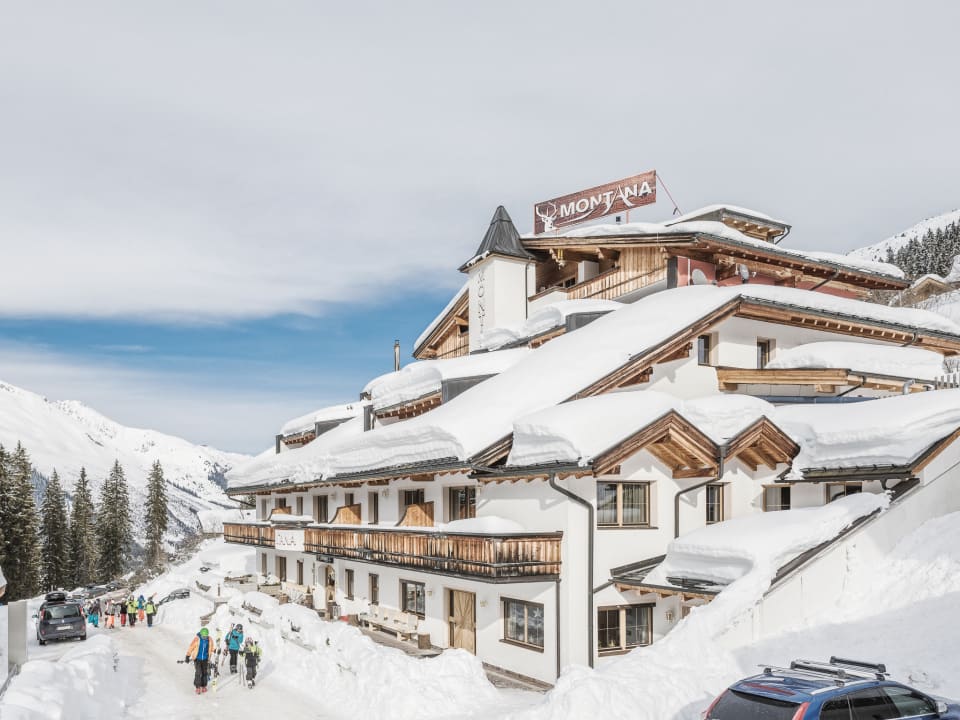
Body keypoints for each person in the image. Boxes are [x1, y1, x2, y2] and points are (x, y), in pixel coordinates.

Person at [185, 627, 212, 694]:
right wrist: (188, 655)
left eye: (206, 636)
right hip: (197, 659)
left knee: (204, 673)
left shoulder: (209, 640)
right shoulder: (197, 639)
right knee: (198, 672)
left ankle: (203, 686)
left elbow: (211, 648)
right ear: (201, 634)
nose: (204, 637)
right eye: (203, 636)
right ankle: (197, 687)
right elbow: (191, 647)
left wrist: (215, 651)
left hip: (205, 659)